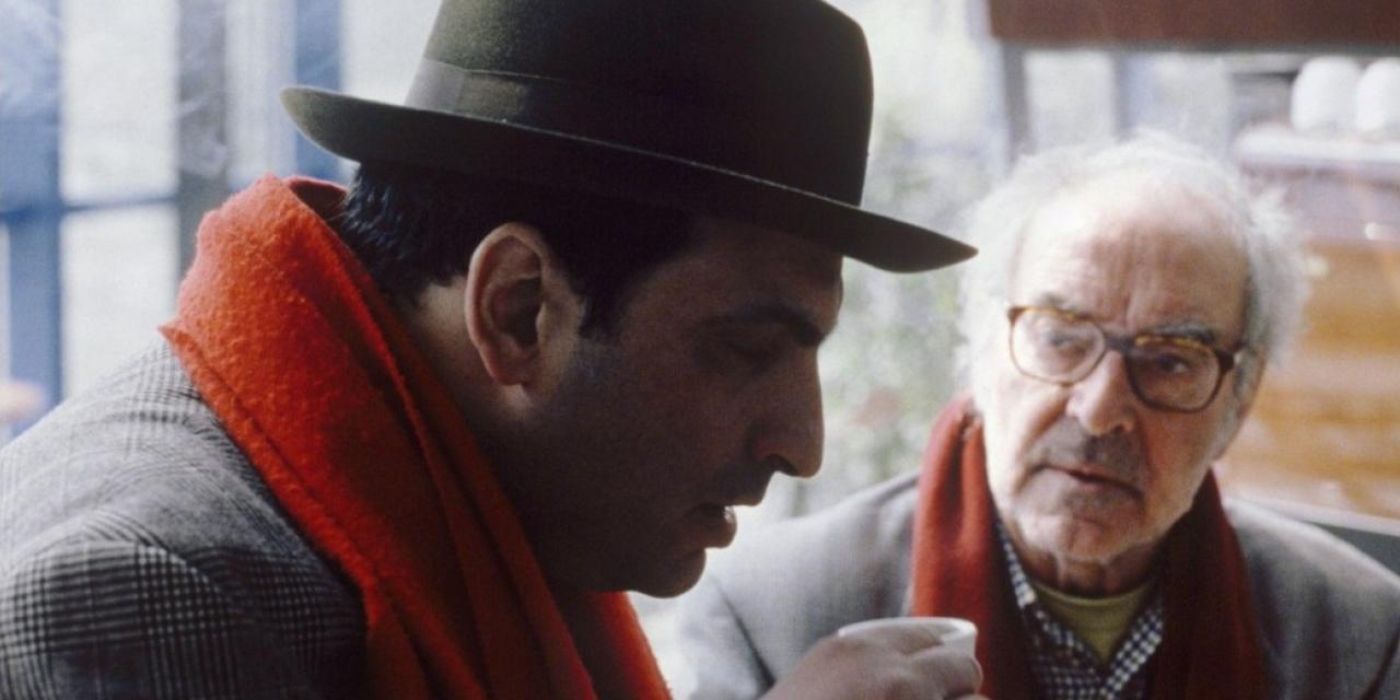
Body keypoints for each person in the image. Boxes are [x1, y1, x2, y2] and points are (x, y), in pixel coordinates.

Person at [0, 1, 986, 698]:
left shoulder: (476, 488)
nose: (802, 442)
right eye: (746, 345)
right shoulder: (148, 591)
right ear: (517, 308)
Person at [678, 134, 1400, 700]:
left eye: (1171, 359)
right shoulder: (770, 616)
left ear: (1237, 405)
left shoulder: (1357, 635)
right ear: (983, 353)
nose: (1100, 408)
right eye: (1060, 336)